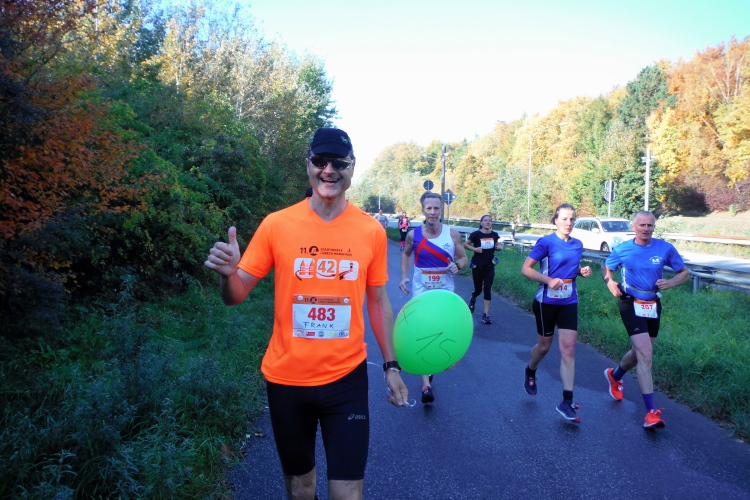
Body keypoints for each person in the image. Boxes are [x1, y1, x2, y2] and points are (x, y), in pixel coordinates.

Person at [204, 127, 408, 500]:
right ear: (308, 165)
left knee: (348, 494)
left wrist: (391, 366)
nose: (329, 170)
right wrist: (228, 275)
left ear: (352, 167)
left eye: (338, 163)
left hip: (345, 380)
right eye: (320, 161)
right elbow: (235, 296)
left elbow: (378, 301)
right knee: (301, 490)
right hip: (287, 380)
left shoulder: (370, 231)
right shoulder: (277, 224)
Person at [602, 210, 689, 429]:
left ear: (654, 227)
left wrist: (671, 282)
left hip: (652, 304)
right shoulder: (623, 249)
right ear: (633, 227)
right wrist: (609, 281)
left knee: (640, 351)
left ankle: (615, 376)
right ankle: (651, 413)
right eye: (642, 225)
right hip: (629, 302)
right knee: (646, 354)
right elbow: (607, 267)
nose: (646, 229)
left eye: (650, 225)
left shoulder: (665, 248)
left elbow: (684, 272)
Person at [520, 203, 592, 423]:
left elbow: (570, 268)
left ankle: (566, 401)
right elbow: (526, 269)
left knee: (568, 349)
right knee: (544, 346)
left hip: (569, 300)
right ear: (555, 220)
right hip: (546, 302)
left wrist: (580, 271)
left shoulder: (577, 244)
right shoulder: (546, 242)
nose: (568, 223)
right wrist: (548, 280)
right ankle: (531, 369)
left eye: (572, 219)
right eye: (564, 219)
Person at [399, 191, 468, 404]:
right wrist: (404, 277)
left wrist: (458, 266)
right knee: (422, 331)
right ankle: (425, 385)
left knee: (441, 332)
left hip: (445, 294)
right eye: (428, 208)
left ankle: (434, 364)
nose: (432, 212)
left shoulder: (452, 234)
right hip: (421, 292)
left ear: (441, 210)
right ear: (423, 210)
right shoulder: (413, 235)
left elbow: (464, 258)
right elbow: (406, 254)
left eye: (436, 208)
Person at [463, 214, 502, 324]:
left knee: (487, 289)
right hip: (477, 265)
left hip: (489, 266)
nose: (487, 222)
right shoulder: (476, 234)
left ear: (491, 223)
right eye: (485, 220)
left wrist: (498, 248)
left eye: (489, 220)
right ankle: (473, 298)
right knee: (478, 289)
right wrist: (475, 249)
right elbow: (466, 245)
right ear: (481, 223)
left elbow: (497, 246)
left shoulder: (494, 235)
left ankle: (486, 314)